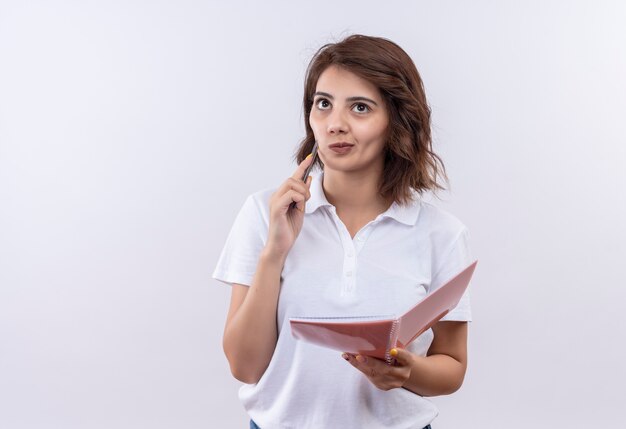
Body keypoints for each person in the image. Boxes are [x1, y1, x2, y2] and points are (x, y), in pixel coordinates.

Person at [213, 34, 474, 429]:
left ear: (397, 120)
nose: (336, 124)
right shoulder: (263, 213)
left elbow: (452, 366)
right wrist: (274, 252)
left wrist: (407, 373)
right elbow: (245, 367)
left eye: (360, 107)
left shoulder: (441, 234)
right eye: (323, 104)